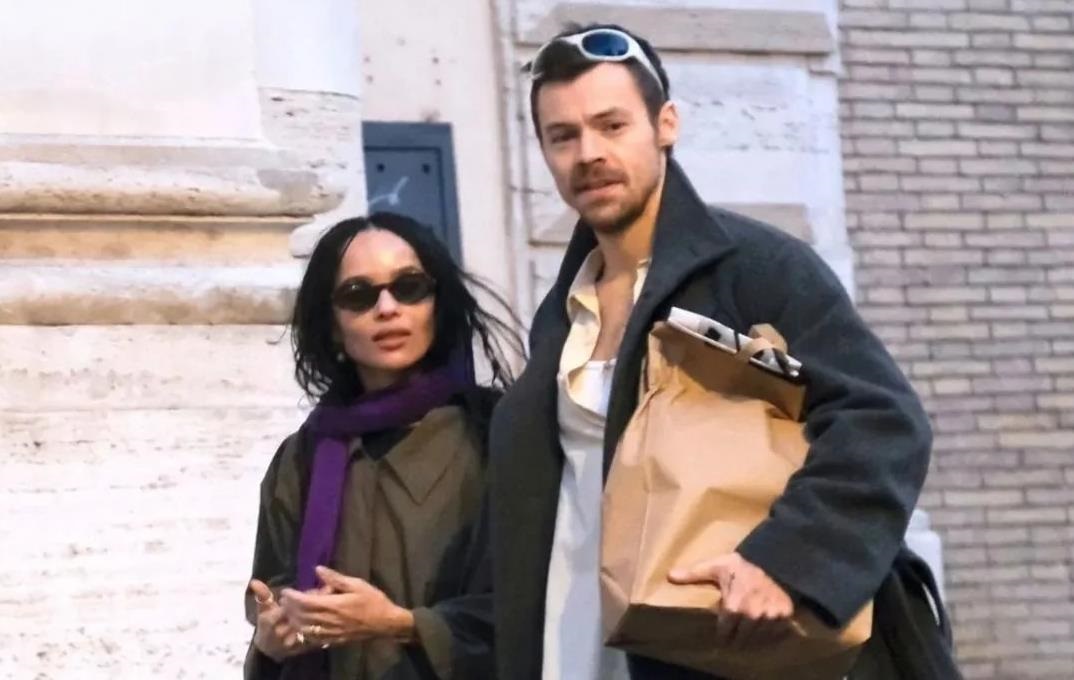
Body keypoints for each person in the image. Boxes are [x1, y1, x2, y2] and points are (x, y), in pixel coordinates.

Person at [487, 23, 959, 680]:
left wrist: (787, 560)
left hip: (719, 644)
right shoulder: (564, 309)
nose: (588, 153)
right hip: (582, 643)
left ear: (666, 125)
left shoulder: (756, 267)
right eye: (562, 136)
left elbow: (883, 420)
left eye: (612, 126)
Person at [244, 212, 521, 680]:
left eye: (409, 287)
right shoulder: (303, 457)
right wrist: (272, 638)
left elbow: (529, 606)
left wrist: (401, 625)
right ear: (333, 325)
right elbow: (272, 595)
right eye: (359, 295)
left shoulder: (498, 434)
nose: (388, 308)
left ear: (437, 304)